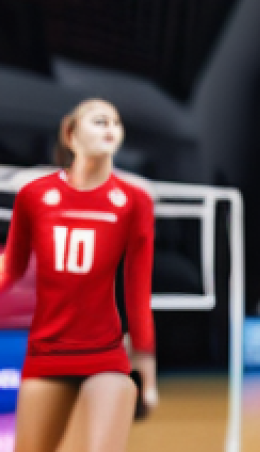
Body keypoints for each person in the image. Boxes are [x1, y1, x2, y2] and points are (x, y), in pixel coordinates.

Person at [0, 99, 157, 452]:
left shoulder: (134, 201)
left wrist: (146, 368)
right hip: (47, 353)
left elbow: (138, 294)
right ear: (71, 135)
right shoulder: (34, 195)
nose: (110, 128)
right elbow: (11, 271)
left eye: (115, 122)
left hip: (105, 357)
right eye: (99, 121)